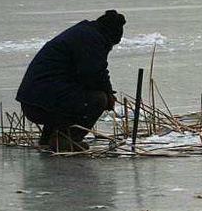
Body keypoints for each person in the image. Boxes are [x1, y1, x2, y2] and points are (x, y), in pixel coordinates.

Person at [16, 10, 126, 152]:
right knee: (98, 99)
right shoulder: (91, 38)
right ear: (109, 36)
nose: (109, 49)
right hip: (40, 104)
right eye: (110, 45)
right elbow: (93, 73)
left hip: (34, 100)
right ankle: (66, 140)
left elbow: (88, 74)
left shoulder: (84, 32)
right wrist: (108, 94)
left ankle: (49, 139)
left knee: (72, 94)